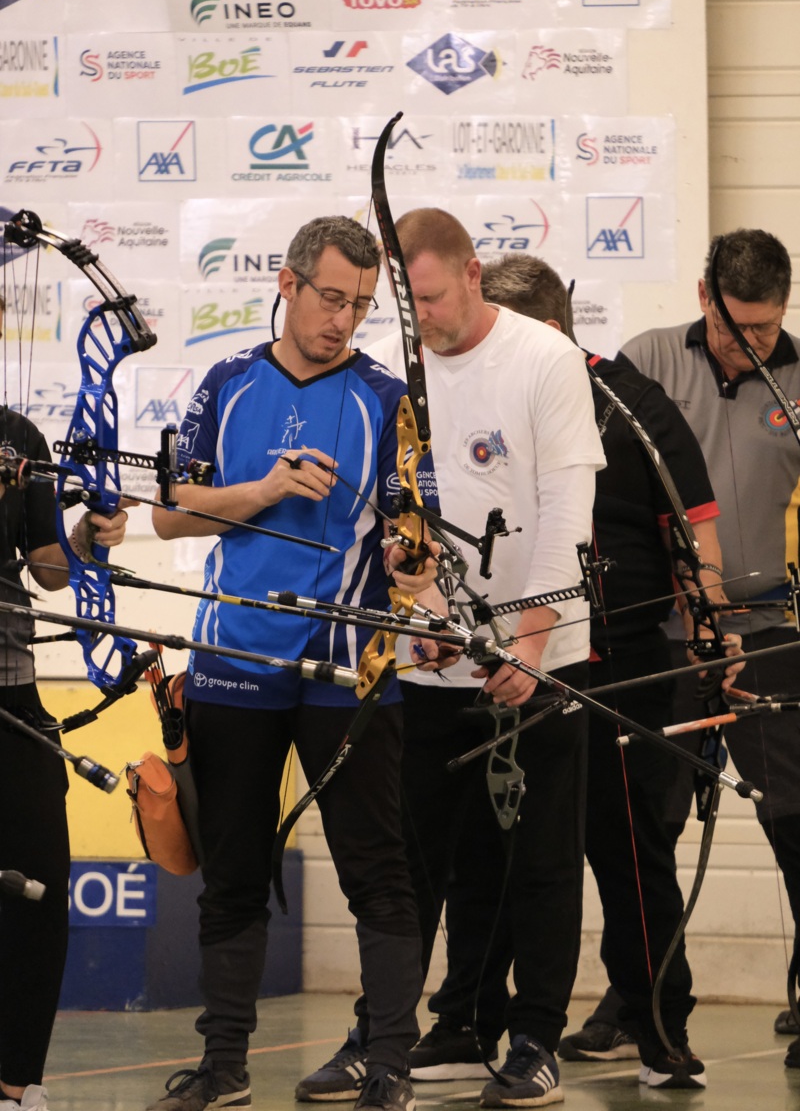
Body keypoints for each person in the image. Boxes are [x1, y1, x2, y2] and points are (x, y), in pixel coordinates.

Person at [295, 209, 606, 1108]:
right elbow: (400, 520)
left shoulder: (544, 358)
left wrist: (532, 644)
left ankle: (535, 1039)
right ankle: (384, 1034)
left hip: (543, 656)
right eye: (408, 303)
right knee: (411, 858)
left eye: (431, 297)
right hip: (430, 661)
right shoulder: (400, 375)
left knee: (541, 858)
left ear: (473, 273)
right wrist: (423, 610)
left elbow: (566, 515)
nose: (420, 317)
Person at [416, 254, 743, 1092]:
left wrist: (712, 633)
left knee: (627, 848)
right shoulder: (469, 386)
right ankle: (466, 1019)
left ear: (549, 330)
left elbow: (694, 528)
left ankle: (658, 1026)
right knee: (483, 850)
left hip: (617, 660)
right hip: (500, 655)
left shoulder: (629, 399)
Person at [148, 216, 436, 1111]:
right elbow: (169, 512)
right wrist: (265, 489)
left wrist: (412, 565)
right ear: (288, 283)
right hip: (233, 659)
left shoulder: (386, 398)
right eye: (330, 298)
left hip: (348, 668)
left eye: (360, 305)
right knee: (231, 872)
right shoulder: (227, 382)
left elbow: (416, 535)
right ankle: (223, 1065)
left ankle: (389, 1064)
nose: (342, 320)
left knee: (376, 871)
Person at [620, 228, 800, 1067]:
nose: (751, 343)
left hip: (771, 635)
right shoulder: (646, 361)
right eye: (736, 326)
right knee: (644, 827)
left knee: (794, 818)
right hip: (664, 637)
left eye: (767, 327)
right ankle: (641, 1003)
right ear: (704, 298)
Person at [0, 298, 132, 1111]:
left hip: (12, 689)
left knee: (41, 882)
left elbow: (48, 567)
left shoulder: (17, 438)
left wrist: (87, 538)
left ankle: (16, 1080)